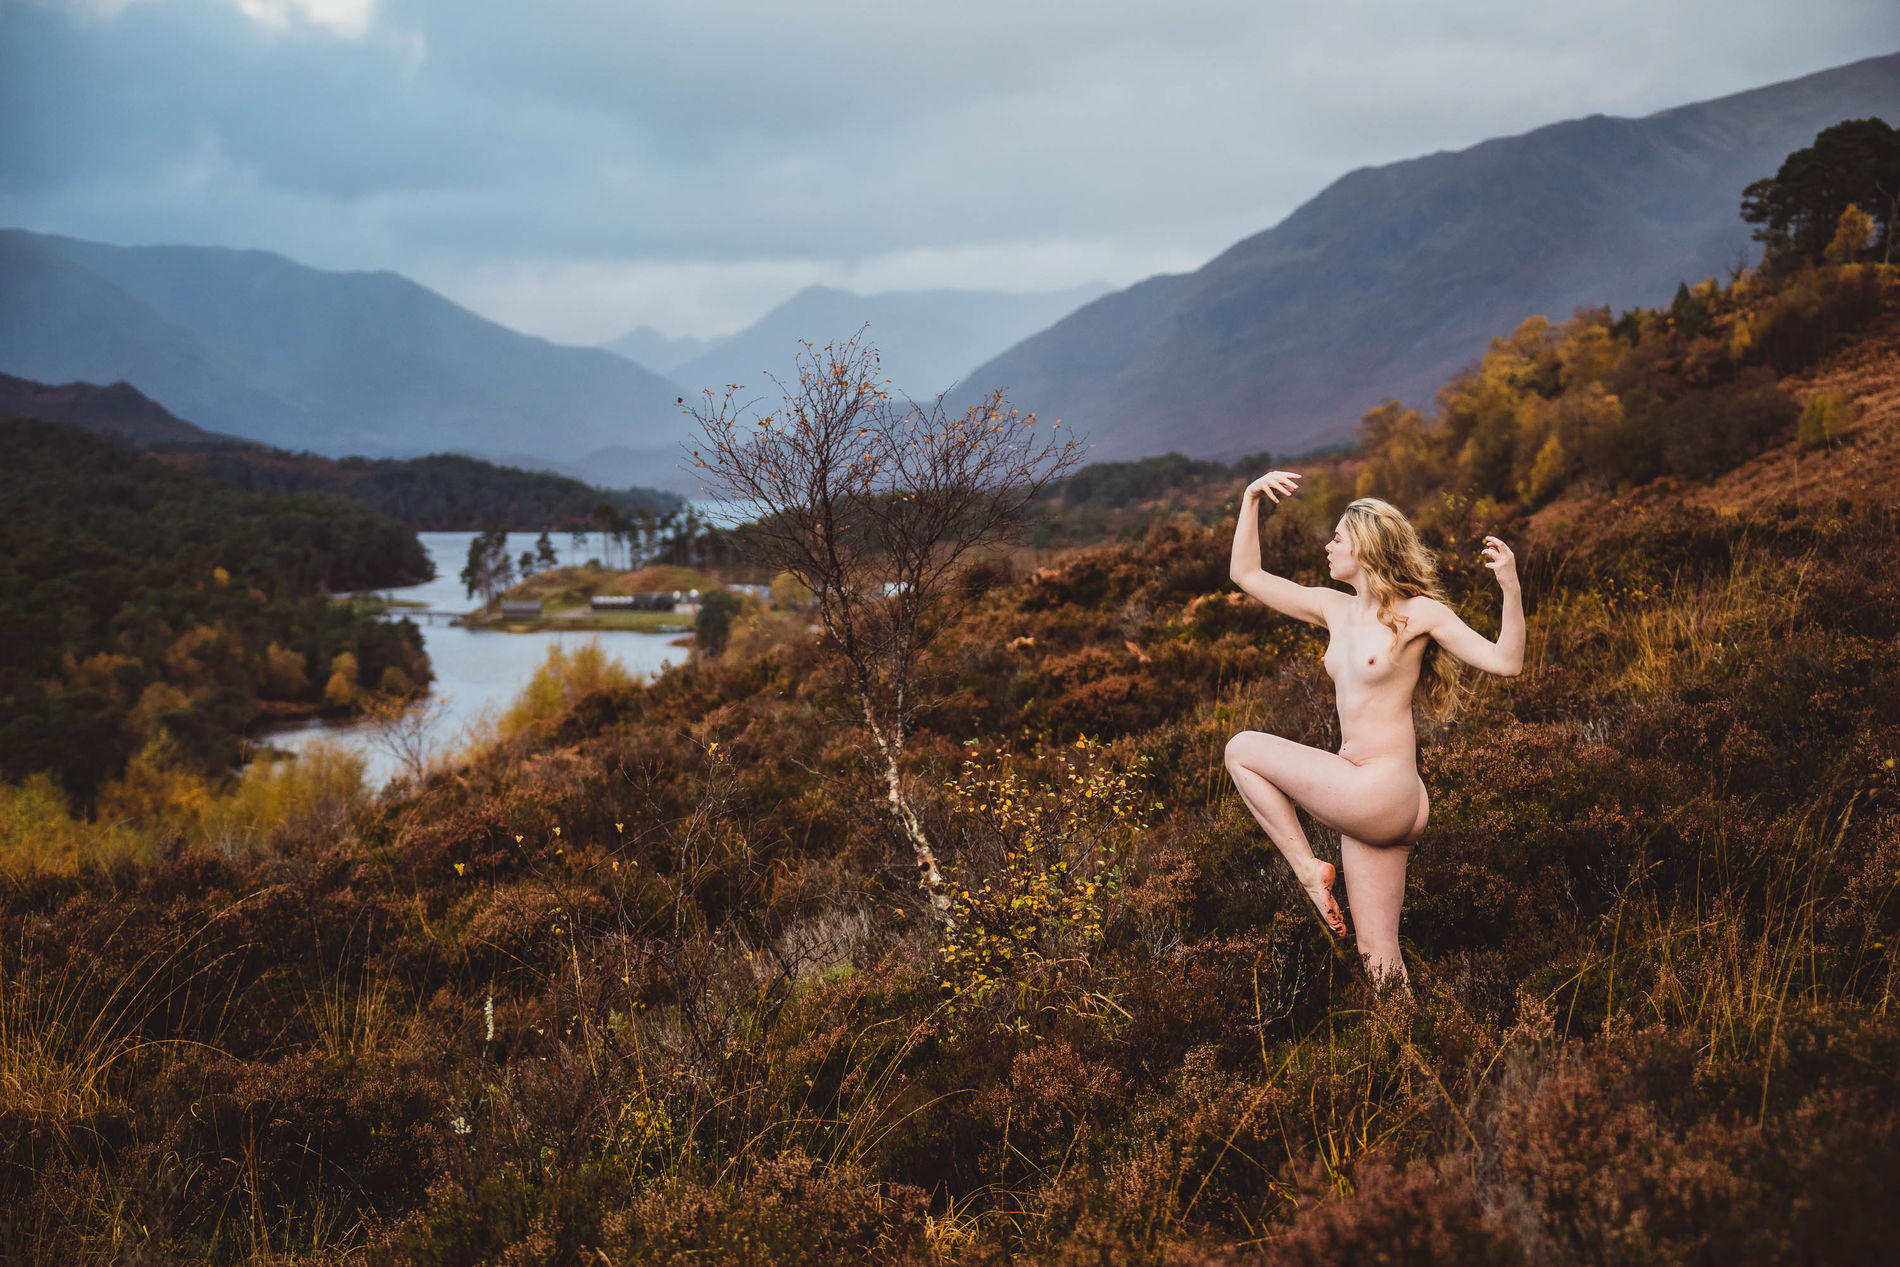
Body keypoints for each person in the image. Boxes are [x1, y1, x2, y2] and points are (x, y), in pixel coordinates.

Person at [1224, 470, 1523, 988]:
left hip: (1382, 789)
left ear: (1364, 548)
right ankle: (1415, 1037)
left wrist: (1510, 587)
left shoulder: (1418, 614)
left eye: (1338, 538)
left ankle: (1307, 870)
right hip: (1374, 800)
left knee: (1241, 748)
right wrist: (1251, 498)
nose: (1328, 545)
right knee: (1377, 956)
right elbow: (1246, 574)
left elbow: (1507, 662)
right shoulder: (1333, 608)